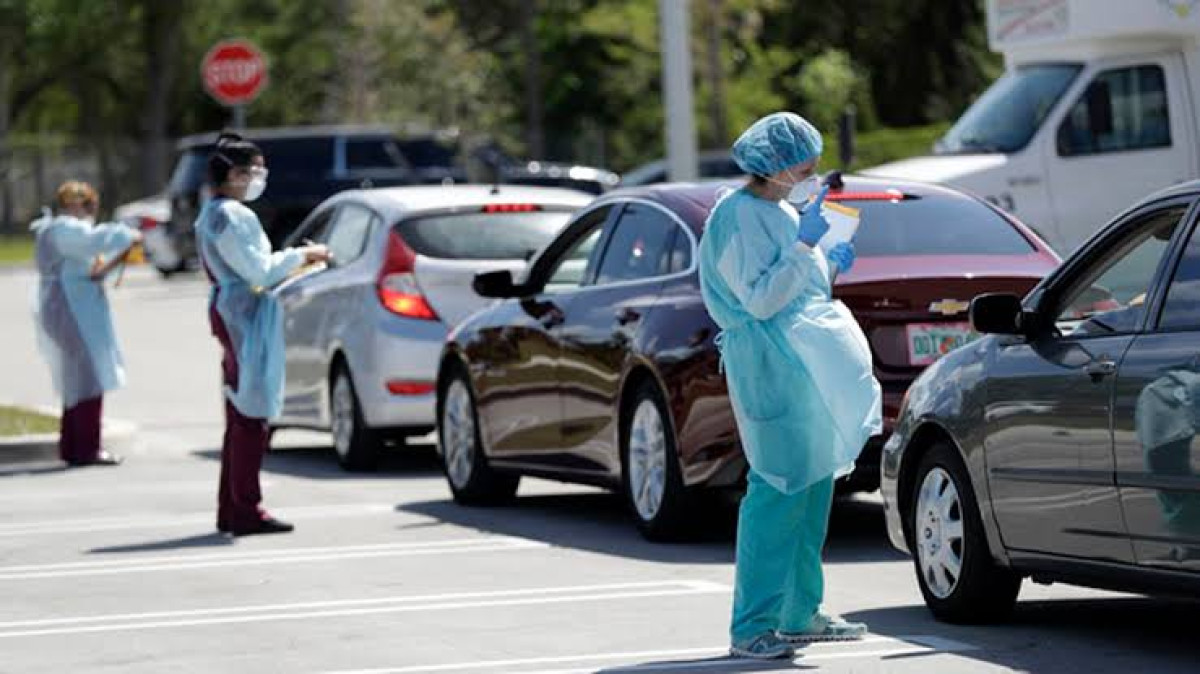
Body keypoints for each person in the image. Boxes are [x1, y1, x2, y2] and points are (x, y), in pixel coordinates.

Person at [697, 112, 883, 660]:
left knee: (813, 485)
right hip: (768, 365)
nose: (810, 178)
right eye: (803, 169)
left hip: (805, 366)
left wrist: (829, 262)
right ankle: (751, 626)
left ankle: (800, 612)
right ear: (773, 166)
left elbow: (801, 288)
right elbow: (760, 301)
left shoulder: (782, 211)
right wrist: (804, 249)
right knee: (776, 489)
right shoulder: (735, 217)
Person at [194, 132, 330, 537]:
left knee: (241, 415)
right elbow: (258, 271)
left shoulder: (214, 212)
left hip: (235, 311)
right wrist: (304, 255)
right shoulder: (233, 215)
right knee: (250, 416)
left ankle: (232, 508)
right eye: (254, 170)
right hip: (242, 315)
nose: (259, 177)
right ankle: (246, 509)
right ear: (234, 174)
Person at [31, 181, 142, 467]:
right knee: (89, 377)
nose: (89, 211)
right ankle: (87, 447)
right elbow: (95, 240)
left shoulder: (60, 230)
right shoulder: (64, 228)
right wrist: (125, 233)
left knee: (77, 379)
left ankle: (72, 446)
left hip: (74, 308)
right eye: (86, 204)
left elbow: (93, 267)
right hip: (72, 309)